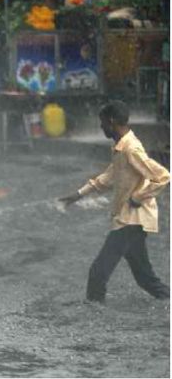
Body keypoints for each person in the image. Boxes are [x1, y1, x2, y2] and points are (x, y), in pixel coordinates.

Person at [59, 100, 170, 303]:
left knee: (98, 272)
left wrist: (138, 197)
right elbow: (110, 176)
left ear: (111, 121)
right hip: (130, 220)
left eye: (102, 123)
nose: (101, 128)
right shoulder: (121, 147)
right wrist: (79, 194)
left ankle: (93, 314)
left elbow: (163, 176)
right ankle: (167, 299)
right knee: (145, 279)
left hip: (131, 221)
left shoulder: (131, 149)